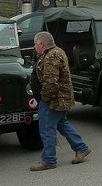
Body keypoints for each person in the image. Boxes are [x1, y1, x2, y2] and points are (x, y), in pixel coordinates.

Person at [29, 31, 91, 171]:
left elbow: (51, 82)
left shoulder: (52, 56)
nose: (34, 47)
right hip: (59, 99)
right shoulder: (56, 52)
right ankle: (81, 148)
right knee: (62, 124)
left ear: (41, 44)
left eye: (35, 44)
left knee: (46, 128)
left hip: (54, 100)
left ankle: (49, 160)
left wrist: (44, 99)